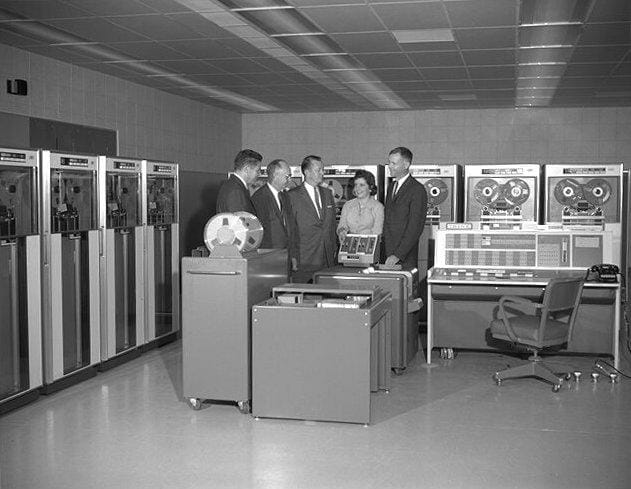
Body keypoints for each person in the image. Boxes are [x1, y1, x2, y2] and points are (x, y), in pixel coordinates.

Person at [286, 155, 337, 283]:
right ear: (307, 172)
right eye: (318, 170)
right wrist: (292, 255)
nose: (322, 173)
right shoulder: (292, 196)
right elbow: (290, 229)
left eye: (322, 169)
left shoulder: (327, 194)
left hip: (328, 258)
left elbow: (331, 225)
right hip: (304, 258)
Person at [383, 146, 427, 269]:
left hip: (404, 256)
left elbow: (415, 227)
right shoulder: (391, 187)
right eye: (389, 163)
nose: (390, 166)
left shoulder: (417, 189)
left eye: (394, 163)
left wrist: (397, 255)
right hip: (388, 252)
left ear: (406, 164)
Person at [252, 159, 291, 249]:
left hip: (285, 252)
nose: (289, 180)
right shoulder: (260, 198)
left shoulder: (285, 196)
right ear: (275, 175)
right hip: (269, 254)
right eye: (287, 176)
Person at [337, 169, 384, 241]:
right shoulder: (347, 205)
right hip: (349, 246)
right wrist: (341, 231)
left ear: (370, 187)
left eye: (361, 185)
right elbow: (342, 225)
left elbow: (377, 233)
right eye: (356, 185)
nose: (357, 189)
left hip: (369, 247)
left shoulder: (378, 207)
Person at [215, 149, 262, 214]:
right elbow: (239, 222)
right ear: (246, 169)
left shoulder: (234, 186)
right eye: (257, 170)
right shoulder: (235, 191)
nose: (259, 174)